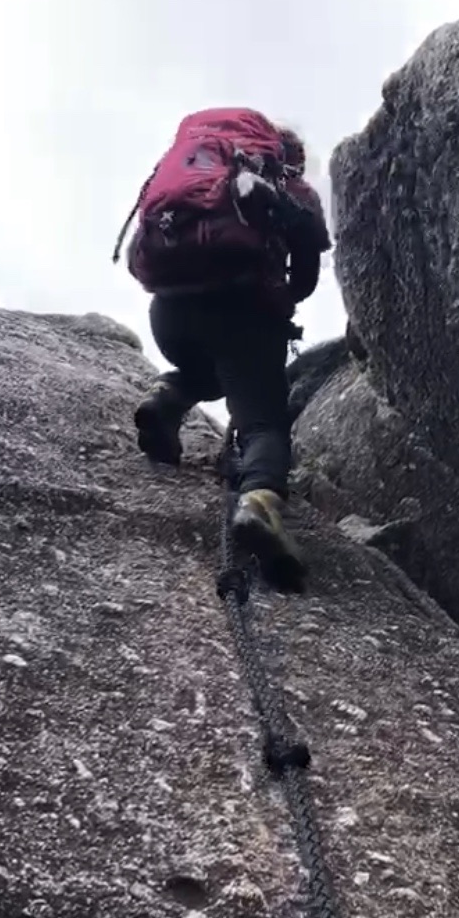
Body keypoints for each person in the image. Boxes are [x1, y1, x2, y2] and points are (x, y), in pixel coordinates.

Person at [115, 108, 330, 591]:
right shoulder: (286, 186)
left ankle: (167, 400)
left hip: (168, 316)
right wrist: (275, 303)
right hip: (241, 313)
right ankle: (260, 505)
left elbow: (137, 256)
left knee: (210, 368)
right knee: (264, 422)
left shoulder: (191, 174)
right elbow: (309, 278)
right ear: (285, 155)